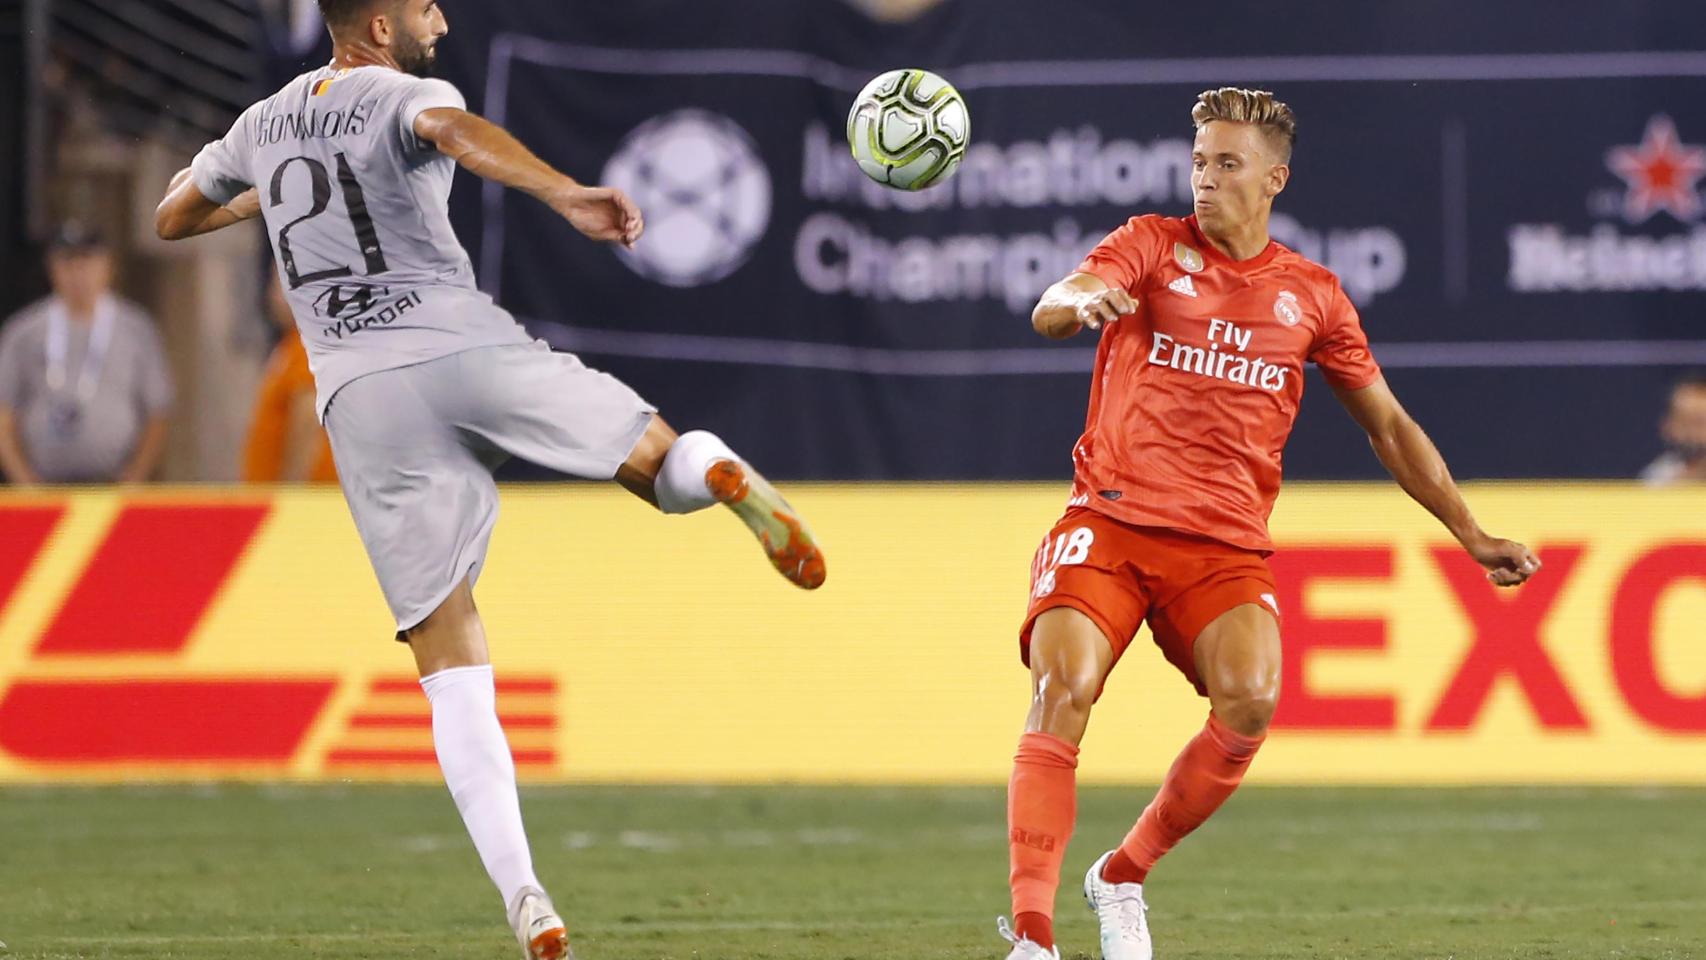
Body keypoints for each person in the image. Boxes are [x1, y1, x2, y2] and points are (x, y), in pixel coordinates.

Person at [153, 2, 826, 957]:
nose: (442, 15)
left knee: (449, 657)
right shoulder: (403, 90)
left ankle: (528, 899)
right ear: (379, 28)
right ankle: (710, 465)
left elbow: (171, 214)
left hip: (362, 396)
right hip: (460, 345)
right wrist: (563, 193)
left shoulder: (263, 122)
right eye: (423, 5)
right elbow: (454, 133)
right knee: (652, 462)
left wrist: (257, 191)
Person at [998, 88, 1541, 960]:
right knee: (1063, 688)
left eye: (1226, 164)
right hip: (1111, 521)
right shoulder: (1148, 244)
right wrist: (1079, 304)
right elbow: (1061, 298)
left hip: (1220, 546)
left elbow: (1389, 427)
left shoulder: (1313, 298)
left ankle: (1124, 874)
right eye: (1199, 161)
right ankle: (1033, 937)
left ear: (1273, 178)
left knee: (1251, 702)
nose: (1204, 180)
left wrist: (1471, 534)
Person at [0, 224, 173, 485]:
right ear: (52, 268)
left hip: (113, 483)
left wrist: (136, 476)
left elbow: (158, 411)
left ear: (108, 266)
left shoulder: (136, 328)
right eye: (68, 263)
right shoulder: (23, 332)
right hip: (44, 485)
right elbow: (5, 413)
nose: (77, 274)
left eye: (87, 262)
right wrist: (24, 481)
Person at [242, 270, 337, 482]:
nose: (273, 294)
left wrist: (290, 494)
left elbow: (308, 417)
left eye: (282, 281)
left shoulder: (310, 345)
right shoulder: (290, 345)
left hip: (304, 502)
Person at [1640, 370, 1706, 486]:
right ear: (1667, 425)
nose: (1693, 434)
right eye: (1685, 422)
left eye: (1700, 422)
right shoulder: (1658, 476)